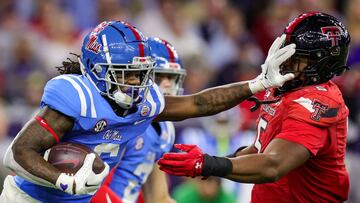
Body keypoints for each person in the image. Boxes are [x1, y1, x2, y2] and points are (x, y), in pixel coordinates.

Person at [1, 20, 295, 203]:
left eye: (140, 74)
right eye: (124, 74)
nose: (134, 83)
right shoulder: (77, 97)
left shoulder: (147, 103)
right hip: (30, 198)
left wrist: (256, 84)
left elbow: (200, 103)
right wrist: (60, 178)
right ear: (96, 69)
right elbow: (15, 155)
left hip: (82, 199)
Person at [158, 12, 351, 203]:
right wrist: (213, 162)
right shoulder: (283, 87)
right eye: (286, 51)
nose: (286, 61)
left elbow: (273, 164)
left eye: (296, 57)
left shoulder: (319, 102)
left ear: (321, 63)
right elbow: (260, 149)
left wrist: (209, 165)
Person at [90, 37, 186, 203]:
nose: (167, 85)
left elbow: (159, 198)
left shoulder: (165, 129)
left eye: (171, 78)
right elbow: (92, 185)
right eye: (159, 77)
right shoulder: (125, 119)